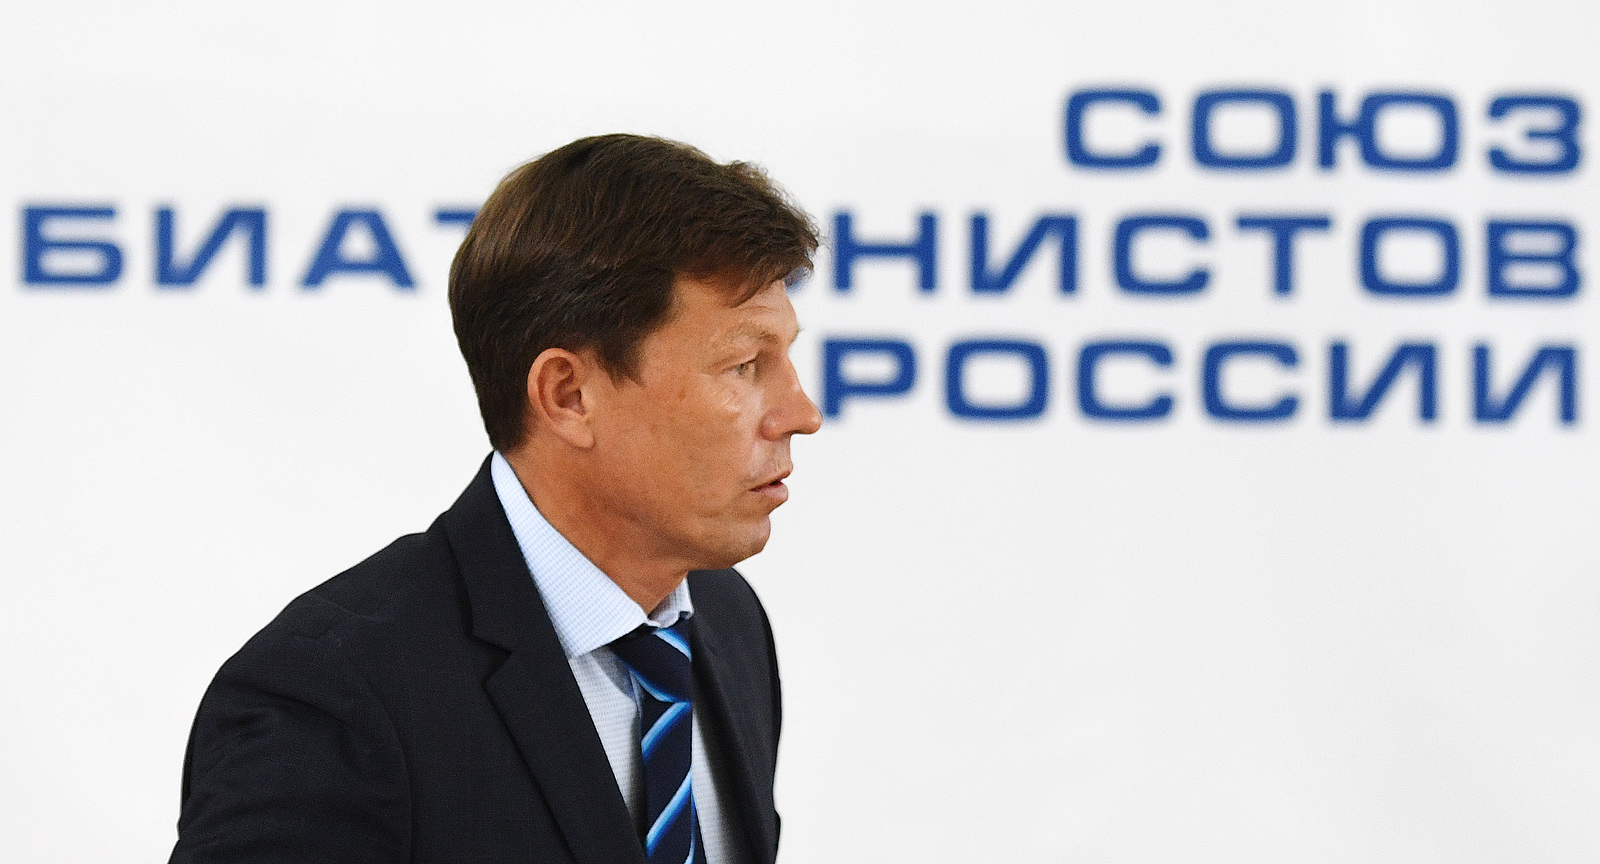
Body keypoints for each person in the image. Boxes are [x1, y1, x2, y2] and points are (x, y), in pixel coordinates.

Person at [168, 134, 823, 864]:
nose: (801, 413)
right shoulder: (332, 694)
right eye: (744, 364)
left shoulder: (729, 624)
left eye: (786, 357)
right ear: (568, 395)